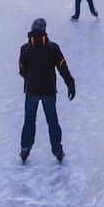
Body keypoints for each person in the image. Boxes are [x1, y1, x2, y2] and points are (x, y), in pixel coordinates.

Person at [18, 18, 76, 163]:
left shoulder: (25, 49)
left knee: (29, 120)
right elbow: (63, 67)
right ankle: (57, 150)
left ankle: (25, 148)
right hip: (49, 91)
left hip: (31, 91)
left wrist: (30, 78)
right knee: (52, 121)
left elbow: (21, 70)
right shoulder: (53, 48)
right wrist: (70, 83)